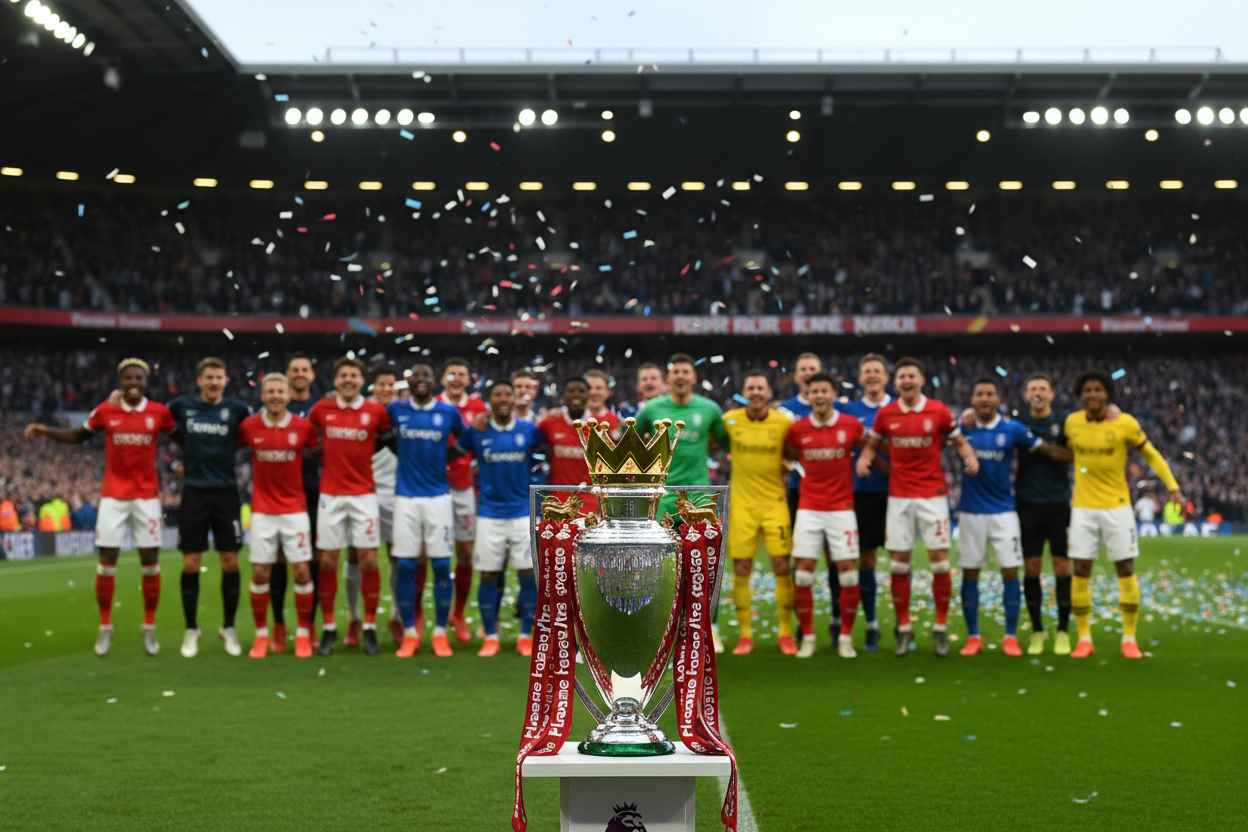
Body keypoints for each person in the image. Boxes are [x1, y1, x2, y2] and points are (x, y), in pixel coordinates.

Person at [25, 358, 175, 656]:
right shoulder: (106, 411)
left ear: (147, 383)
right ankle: (105, 628)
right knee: (107, 561)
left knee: (150, 562)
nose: (134, 384)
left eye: (139, 379)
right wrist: (46, 431)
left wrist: (187, 464)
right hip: (114, 497)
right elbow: (79, 436)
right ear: (120, 382)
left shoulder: (159, 412)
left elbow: (180, 436)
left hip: (147, 498)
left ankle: (149, 627)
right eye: (128, 379)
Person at [855, 357, 979, 658]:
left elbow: (958, 440)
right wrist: (864, 458)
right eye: (902, 377)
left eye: (912, 376)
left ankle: (939, 628)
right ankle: (904, 627)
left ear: (921, 380)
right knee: (899, 563)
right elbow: (872, 443)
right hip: (899, 496)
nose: (907, 381)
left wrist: (970, 456)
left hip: (932, 495)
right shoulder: (887, 413)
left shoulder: (938, 411)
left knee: (939, 561)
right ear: (896, 383)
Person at [1065, 370, 1181, 659]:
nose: (1093, 395)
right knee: (1080, 571)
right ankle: (1083, 639)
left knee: (1125, 569)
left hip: (1118, 507)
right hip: (1082, 509)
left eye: (1098, 390)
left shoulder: (1125, 423)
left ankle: (1129, 638)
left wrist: (1173, 487)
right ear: (1081, 396)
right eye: (1087, 390)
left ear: (1107, 395)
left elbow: (1151, 454)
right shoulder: (1071, 423)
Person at [957, 378, 1068, 657]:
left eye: (990, 394)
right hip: (971, 512)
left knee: (1010, 571)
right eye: (979, 393)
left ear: (998, 399)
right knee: (970, 573)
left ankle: (1009, 636)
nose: (984, 398)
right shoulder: (961, 428)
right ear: (972, 399)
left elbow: (1048, 450)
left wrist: (1085, 455)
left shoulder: (1013, 428)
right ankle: (972, 637)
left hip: (1004, 511)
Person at [637, 354, 728, 650]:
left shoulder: (709, 409)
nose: (680, 376)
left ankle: (709, 628)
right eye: (674, 371)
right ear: (668, 378)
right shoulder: (653, 409)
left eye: (685, 372)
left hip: (698, 498)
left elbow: (723, 442)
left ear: (692, 377)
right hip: (662, 498)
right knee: (661, 567)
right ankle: (662, 626)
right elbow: (633, 445)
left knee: (703, 564)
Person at [164, 357, 250, 659]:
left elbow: (250, 434)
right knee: (190, 563)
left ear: (226, 381)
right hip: (194, 494)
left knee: (230, 561)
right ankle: (192, 629)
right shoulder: (182, 406)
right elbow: (158, 421)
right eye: (209, 377)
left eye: (219, 377)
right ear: (199, 380)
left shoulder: (237, 410)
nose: (214, 382)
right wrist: (179, 458)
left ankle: (229, 626)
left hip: (226, 493)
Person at [451, 380, 543, 657]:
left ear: (515, 399)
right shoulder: (478, 431)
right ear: (490, 401)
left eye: (507, 394)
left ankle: (526, 636)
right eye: (497, 395)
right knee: (489, 575)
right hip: (489, 514)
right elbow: (452, 452)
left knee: (528, 574)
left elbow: (542, 459)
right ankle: (491, 635)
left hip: (521, 513)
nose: (503, 399)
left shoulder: (529, 431)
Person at [308, 357, 392, 656]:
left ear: (361, 381)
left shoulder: (375, 411)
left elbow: (386, 438)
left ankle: (369, 625)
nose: (348, 379)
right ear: (336, 380)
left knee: (368, 560)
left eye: (354, 375)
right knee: (328, 560)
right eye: (343, 375)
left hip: (363, 494)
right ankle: (330, 626)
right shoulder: (321, 409)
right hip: (331, 495)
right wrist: (325, 458)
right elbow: (307, 438)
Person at [236, 373, 319, 658]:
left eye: (279, 392)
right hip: (262, 510)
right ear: (262, 396)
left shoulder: (303, 427)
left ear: (287, 396)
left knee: (302, 571)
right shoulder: (249, 426)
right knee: (261, 572)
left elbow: (321, 452)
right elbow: (228, 448)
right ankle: (262, 634)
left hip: (295, 509)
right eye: (270, 391)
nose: (275, 396)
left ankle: (304, 633)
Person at [784, 372, 865, 658]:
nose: (819, 396)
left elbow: (867, 449)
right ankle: (808, 637)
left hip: (842, 509)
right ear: (808, 395)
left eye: (824, 391)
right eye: (814, 391)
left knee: (848, 575)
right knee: (803, 575)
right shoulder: (797, 429)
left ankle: (845, 638)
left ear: (833, 395)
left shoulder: (851, 426)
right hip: (809, 508)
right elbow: (788, 456)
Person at [386, 364, 464, 657]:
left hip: (438, 497)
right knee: (406, 565)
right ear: (407, 380)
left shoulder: (447, 412)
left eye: (426, 376)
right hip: (405, 497)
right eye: (415, 375)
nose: (420, 380)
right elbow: (382, 436)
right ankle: (410, 633)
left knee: (442, 566)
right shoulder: (395, 410)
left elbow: (466, 438)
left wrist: (444, 457)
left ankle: (440, 633)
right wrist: (405, 453)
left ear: (434, 381)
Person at [722, 370, 795, 655]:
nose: (755, 392)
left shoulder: (783, 423)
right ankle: (745, 636)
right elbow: (713, 440)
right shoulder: (729, 421)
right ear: (744, 392)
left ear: (768, 393)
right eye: (750, 387)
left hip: (775, 503)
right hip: (742, 505)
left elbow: (793, 453)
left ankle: (786, 634)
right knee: (741, 568)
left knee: (781, 566)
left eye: (760, 388)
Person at [1013, 372, 1077, 656]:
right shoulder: (1018, 425)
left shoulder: (1064, 422)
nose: (1038, 392)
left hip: (1058, 503)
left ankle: (1063, 631)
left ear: (1052, 394)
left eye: (1043, 388)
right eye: (1033, 388)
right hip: (1027, 504)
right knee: (1032, 569)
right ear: (1026, 396)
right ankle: (1038, 630)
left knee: (1063, 567)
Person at [779, 353, 840, 640]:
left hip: (834, 491)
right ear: (795, 375)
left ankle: (838, 616)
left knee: (835, 557)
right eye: (802, 369)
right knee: (802, 558)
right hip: (797, 490)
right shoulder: (785, 410)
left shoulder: (836, 407)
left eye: (812, 369)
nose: (807, 373)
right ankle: (802, 624)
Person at [835, 354, 893, 652]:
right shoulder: (848, 410)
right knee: (861, 558)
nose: (872, 375)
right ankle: (867, 624)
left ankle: (895, 625)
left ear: (886, 377)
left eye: (877, 371)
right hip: (857, 493)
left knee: (896, 559)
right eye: (867, 371)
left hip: (895, 493)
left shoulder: (897, 409)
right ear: (860, 378)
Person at [269, 352, 322, 652]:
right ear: (287, 376)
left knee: (311, 561)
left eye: (305, 369)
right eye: (294, 369)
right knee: (277, 561)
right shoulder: (268, 409)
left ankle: (309, 624)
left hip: (314, 492)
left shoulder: (321, 409)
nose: (300, 373)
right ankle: (278, 625)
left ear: (312, 375)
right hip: (276, 493)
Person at [343, 366, 398, 648]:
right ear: (372, 387)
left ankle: (397, 618)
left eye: (391, 384)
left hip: (399, 493)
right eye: (381, 384)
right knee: (358, 555)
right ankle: (355, 619)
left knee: (398, 555)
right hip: (366, 490)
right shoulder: (364, 413)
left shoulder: (403, 413)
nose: (387, 388)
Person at [438, 356, 489, 643]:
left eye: (461, 373)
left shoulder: (479, 408)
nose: (456, 378)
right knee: (430, 554)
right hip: (431, 489)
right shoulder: (433, 404)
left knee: (465, 553)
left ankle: (457, 613)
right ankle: (428, 616)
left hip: (463, 488)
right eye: (451, 373)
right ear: (443, 379)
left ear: (468, 380)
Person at [538, 377, 596, 510]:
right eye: (571, 391)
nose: (576, 395)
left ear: (588, 395)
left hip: (589, 503)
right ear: (563, 396)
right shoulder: (549, 424)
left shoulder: (600, 426)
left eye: (581, 391)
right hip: (557, 503)